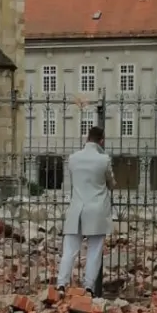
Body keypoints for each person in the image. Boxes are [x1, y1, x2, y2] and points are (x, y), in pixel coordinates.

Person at [57, 125, 115, 294]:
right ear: (102, 141)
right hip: (96, 211)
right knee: (94, 251)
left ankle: (61, 284)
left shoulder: (73, 158)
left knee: (70, 250)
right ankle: (88, 288)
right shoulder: (104, 160)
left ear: (86, 138)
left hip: (76, 209)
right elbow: (111, 183)